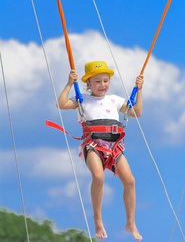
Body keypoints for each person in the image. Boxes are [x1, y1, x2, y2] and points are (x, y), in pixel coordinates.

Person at [57, 61, 144, 241]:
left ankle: (131, 223)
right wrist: (68, 84)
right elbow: (62, 104)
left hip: (114, 146)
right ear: (88, 84)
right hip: (93, 144)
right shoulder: (82, 99)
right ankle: (98, 220)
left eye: (105, 80)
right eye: (97, 82)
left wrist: (139, 90)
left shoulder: (115, 100)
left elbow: (136, 112)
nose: (102, 85)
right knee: (98, 176)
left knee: (130, 181)